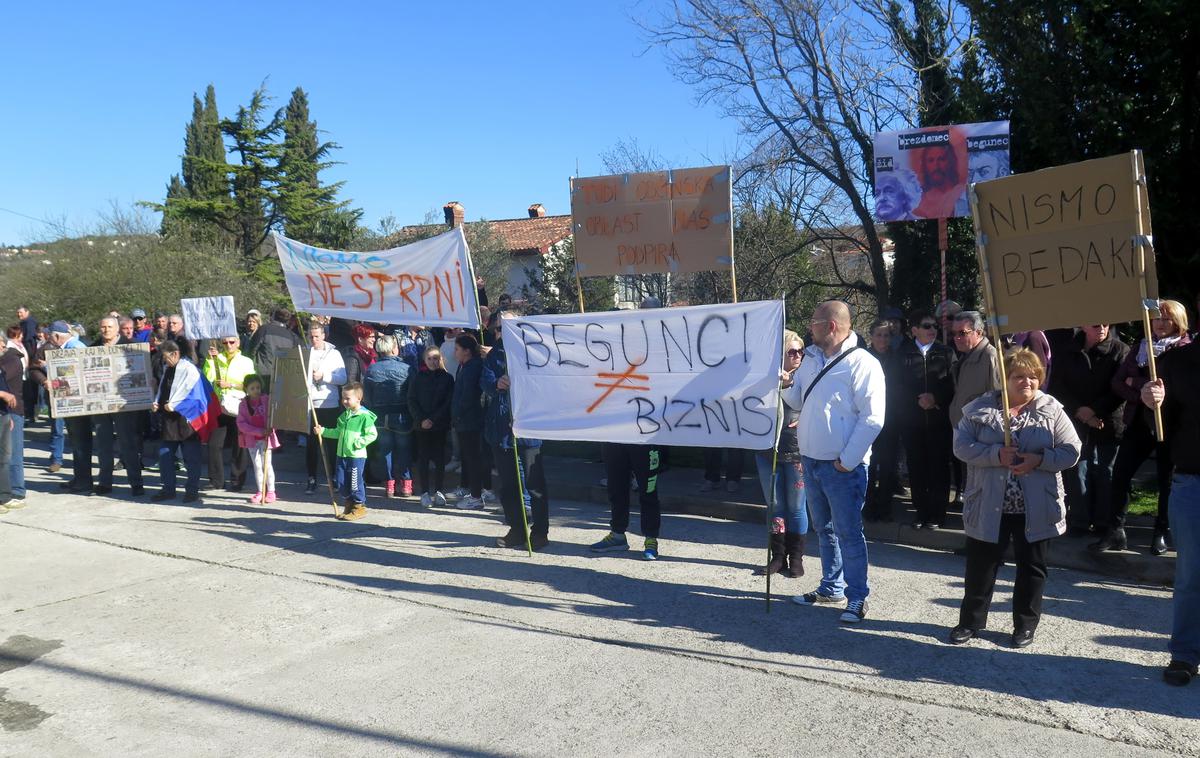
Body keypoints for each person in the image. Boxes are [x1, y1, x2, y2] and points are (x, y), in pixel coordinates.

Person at [948, 348, 1081, 648]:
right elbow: (961, 447)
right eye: (1019, 376)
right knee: (981, 566)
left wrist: (1039, 459)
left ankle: (1025, 625)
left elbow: (1072, 451)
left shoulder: (1052, 410)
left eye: (1034, 376)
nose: (1027, 382)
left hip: (1035, 507)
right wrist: (995, 454)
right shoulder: (978, 409)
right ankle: (970, 622)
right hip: (989, 503)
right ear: (1005, 379)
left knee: (1032, 567)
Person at [783, 301, 885, 623]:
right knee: (823, 529)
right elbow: (799, 400)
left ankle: (857, 597)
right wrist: (786, 384)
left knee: (848, 532)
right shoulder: (811, 361)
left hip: (842, 467)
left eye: (814, 322)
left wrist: (847, 460)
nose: (809, 327)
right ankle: (831, 586)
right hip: (812, 460)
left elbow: (873, 419)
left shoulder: (862, 364)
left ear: (831, 326)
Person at [1096, 300, 1192, 554]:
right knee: (1121, 474)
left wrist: (1138, 382)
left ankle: (1161, 532)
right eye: (1156, 318)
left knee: (1166, 481)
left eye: (1166, 319)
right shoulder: (1140, 347)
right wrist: (1142, 393)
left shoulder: (1184, 349)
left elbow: (1175, 386)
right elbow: (1118, 383)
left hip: (1171, 425)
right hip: (1138, 421)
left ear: (1178, 322)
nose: (1160, 324)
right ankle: (1115, 531)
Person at [1140, 339, 1200, 685]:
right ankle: (1185, 655)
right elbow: (1160, 426)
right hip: (1193, 481)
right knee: (1192, 576)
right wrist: (1152, 406)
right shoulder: (1177, 362)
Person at [1047, 324, 1129, 536]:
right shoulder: (1068, 351)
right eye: (1095, 324)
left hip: (1108, 420)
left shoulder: (1120, 350)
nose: (1101, 328)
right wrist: (1080, 411)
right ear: (1083, 326)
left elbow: (1119, 388)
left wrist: (1095, 411)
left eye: (1105, 324)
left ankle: (1104, 521)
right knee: (1077, 470)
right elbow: (1058, 386)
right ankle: (1079, 521)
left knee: (1106, 471)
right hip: (1076, 421)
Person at [482, 313, 551, 550]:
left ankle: (540, 532)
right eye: (500, 327)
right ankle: (517, 529)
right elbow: (485, 381)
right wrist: (495, 383)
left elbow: (546, 383)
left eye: (507, 325)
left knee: (535, 484)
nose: (502, 330)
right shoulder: (495, 353)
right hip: (501, 431)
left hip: (529, 430)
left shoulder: (535, 349)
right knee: (509, 485)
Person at [751, 330, 807, 574]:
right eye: (791, 352)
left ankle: (797, 558)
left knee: (796, 507)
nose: (797, 356)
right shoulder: (764, 377)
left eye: (800, 351)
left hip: (797, 449)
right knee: (774, 505)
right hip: (767, 449)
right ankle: (778, 556)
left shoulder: (809, 375)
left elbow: (819, 404)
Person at [895, 310, 956, 529]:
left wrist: (936, 398)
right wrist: (916, 400)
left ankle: (938, 515)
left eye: (934, 326)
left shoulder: (946, 353)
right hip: (912, 422)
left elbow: (953, 384)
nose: (933, 330)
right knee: (917, 468)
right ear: (914, 330)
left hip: (939, 422)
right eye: (927, 326)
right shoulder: (902, 354)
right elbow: (896, 385)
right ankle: (921, 513)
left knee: (938, 468)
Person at [89, 316, 144, 496]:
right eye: (103, 327)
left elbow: (143, 369)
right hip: (101, 405)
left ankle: (136, 483)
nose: (106, 330)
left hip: (123, 405)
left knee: (128, 443)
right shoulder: (92, 348)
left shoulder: (131, 346)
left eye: (109, 327)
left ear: (117, 329)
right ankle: (105, 483)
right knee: (103, 445)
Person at [313, 382, 378, 521]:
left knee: (355, 482)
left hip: (356, 456)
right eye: (343, 398)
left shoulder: (364, 416)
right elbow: (338, 432)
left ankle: (359, 507)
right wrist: (323, 431)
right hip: (341, 454)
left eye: (348, 398)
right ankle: (349, 504)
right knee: (342, 481)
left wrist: (358, 443)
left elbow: (372, 434)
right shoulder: (344, 416)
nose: (344, 401)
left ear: (358, 399)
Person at [151, 340, 204, 503]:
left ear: (175, 354)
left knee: (191, 458)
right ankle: (168, 489)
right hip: (170, 422)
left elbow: (195, 396)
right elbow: (164, 390)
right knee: (164, 455)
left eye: (165, 357)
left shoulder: (190, 370)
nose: (164, 360)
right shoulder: (168, 369)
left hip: (187, 421)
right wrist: (157, 402)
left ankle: (192, 490)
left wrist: (174, 406)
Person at [363, 335, 412, 499]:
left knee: (386, 451)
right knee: (404, 449)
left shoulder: (372, 369)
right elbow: (412, 394)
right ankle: (406, 484)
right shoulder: (406, 368)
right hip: (402, 414)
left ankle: (389, 485)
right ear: (393, 348)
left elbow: (367, 397)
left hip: (380, 415)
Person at [202, 334, 254, 492]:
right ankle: (216, 480)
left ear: (238, 343)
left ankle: (237, 480)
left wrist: (230, 384)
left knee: (240, 445)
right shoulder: (217, 358)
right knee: (214, 444)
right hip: (221, 406)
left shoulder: (246, 361)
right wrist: (210, 361)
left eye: (232, 342)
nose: (228, 345)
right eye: (225, 343)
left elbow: (251, 384)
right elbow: (207, 377)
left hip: (239, 406)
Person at [304, 321, 347, 494]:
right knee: (312, 444)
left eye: (317, 336)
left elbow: (342, 378)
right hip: (310, 404)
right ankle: (311, 478)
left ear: (323, 335)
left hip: (329, 403)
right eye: (311, 336)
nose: (314, 339)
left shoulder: (334, 353)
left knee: (331, 443)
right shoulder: (304, 353)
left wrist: (324, 376)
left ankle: (335, 477)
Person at [408, 346, 454, 507]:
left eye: (435, 358)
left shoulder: (447, 378)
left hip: (439, 424)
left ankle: (439, 490)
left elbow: (448, 402)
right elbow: (412, 400)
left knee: (440, 457)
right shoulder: (418, 377)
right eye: (430, 359)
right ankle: (425, 491)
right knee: (423, 458)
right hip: (421, 425)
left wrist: (433, 419)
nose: (433, 361)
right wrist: (421, 419)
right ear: (424, 360)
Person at [864, 320, 900, 522]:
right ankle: (868, 506)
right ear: (871, 336)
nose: (883, 339)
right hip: (867, 418)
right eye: (879, 335)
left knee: (887, 466)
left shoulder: (897, 358)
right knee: (869, 463)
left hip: (891, 419)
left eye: (886, 335)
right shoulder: (864, 358)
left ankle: (885, 508)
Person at [450, 334, 488, 510]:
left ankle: (476, 496)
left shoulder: (473, 367)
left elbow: (468, 396)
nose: (454, 352)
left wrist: (457, 415)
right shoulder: (464, 366)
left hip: (470, 420)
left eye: (457, 349)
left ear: (467, 351)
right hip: (465, 420)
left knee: (473, 458)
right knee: (468, 457)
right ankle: (471, 490)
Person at [236, 374, 278, 504]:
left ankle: (271, 491)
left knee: (267, 464)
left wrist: (271, 428)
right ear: (246, 389)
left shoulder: (267, 400)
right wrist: (258, 431)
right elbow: (241, 424)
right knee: (257, 465)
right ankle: (260, 491)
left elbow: (275, 416)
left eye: (258, 387)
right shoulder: (243, 404)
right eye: (252, 388)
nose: (256, 390)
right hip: (252, 440)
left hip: (266, 439)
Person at [0, 332, 26, 511]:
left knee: (9, 456)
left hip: (8, 413)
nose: (2, 346)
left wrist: (7, 414)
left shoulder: (11, 359)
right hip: (7, 412)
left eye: (2, 343)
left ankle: (12, 493)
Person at [248, 307, 300, 390]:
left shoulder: (264, 329)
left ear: (273, 316)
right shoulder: (292, 336)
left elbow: (251, 351)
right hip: (283, 378)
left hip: (263, 376)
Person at [912, 143, 965, 218]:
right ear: (925, 165)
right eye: (931, 160)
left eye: (941, 159)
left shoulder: (961, 192)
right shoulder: (920, 203)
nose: (936, 165)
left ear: (950, 161)